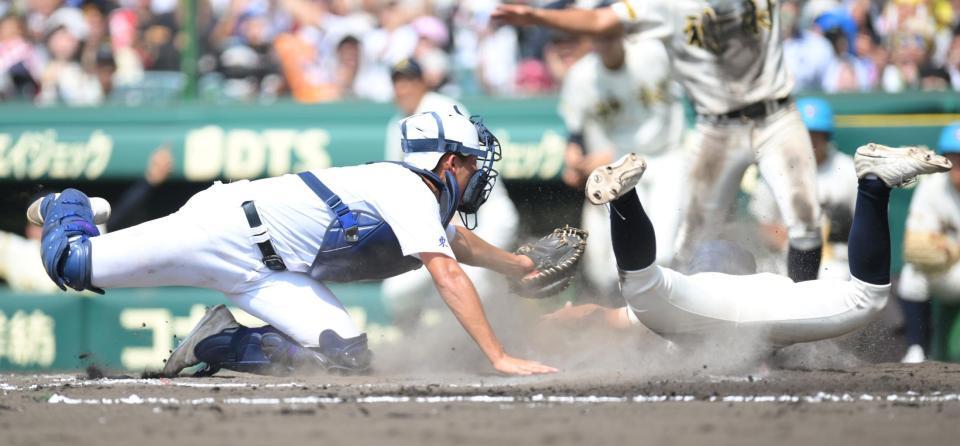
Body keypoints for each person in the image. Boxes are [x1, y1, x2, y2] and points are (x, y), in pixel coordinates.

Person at [29, 110, 557, 377]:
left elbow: (459, 244)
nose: (475, 171)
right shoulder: (406, 186)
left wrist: (517, 266)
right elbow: (448, 271)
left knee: (345, 359)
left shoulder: (425, 201)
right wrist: (500, 356)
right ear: (446, 162)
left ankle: (216, 340)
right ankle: (67, 204)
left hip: (272, 275)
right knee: (70, 262)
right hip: (223, 230)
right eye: (468, 160)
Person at [494, 0, 825, 283]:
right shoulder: (666, 6)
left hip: (775, 115)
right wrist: (537, 17)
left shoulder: (650, 54)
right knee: (688, 244)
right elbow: (599, 20)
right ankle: (680, 336)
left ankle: (803, 317)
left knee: (806, 222)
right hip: (716, 128)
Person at [544, 144, 950, 348]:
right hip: (772, 303)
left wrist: (545, 323)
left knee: (643, 284)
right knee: (867, 296)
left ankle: (625, 198)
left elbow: (595, 315)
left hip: (696, 303)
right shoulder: (768, 285)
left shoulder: (690, 286)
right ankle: (875, 184)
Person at [382, 57, 519, 329]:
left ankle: (492, 341)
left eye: (409, 81)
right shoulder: (396, 125)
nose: (403, 89)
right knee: (396, 293)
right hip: (441, 222)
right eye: (398, 83)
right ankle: (426, 350)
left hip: (483, 212)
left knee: (473, 282)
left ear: (424, 83)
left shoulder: (442, 108)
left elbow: (471, 168)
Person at [558, 27, 685, 298]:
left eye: (609, 32)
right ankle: (623, 330)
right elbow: (574, 133)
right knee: (605, 268)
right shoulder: (582, 75)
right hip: (611, 172)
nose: (604, 40)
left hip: (663, 159)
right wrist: (573, 161)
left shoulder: (652, 54)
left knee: (662, 253)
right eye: (597, 34)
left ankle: (662, 325)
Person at [749, 98, 856, 280]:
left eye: (817, 133)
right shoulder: (775, 169)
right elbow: (763, 224)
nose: (810, 140)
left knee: (835, 274)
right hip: (785, 260)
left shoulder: (847, 170)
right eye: (805, 133)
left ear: (826, 135)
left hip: (836, 263)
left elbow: (866, 223)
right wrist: (797, 244)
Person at [896, 123, 960, 363]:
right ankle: (917, 350)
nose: (958, 165)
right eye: (954, 157)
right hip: (949, 273)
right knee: (914, 272)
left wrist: (950, 246)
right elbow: (916, 245)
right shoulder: (933, 187)